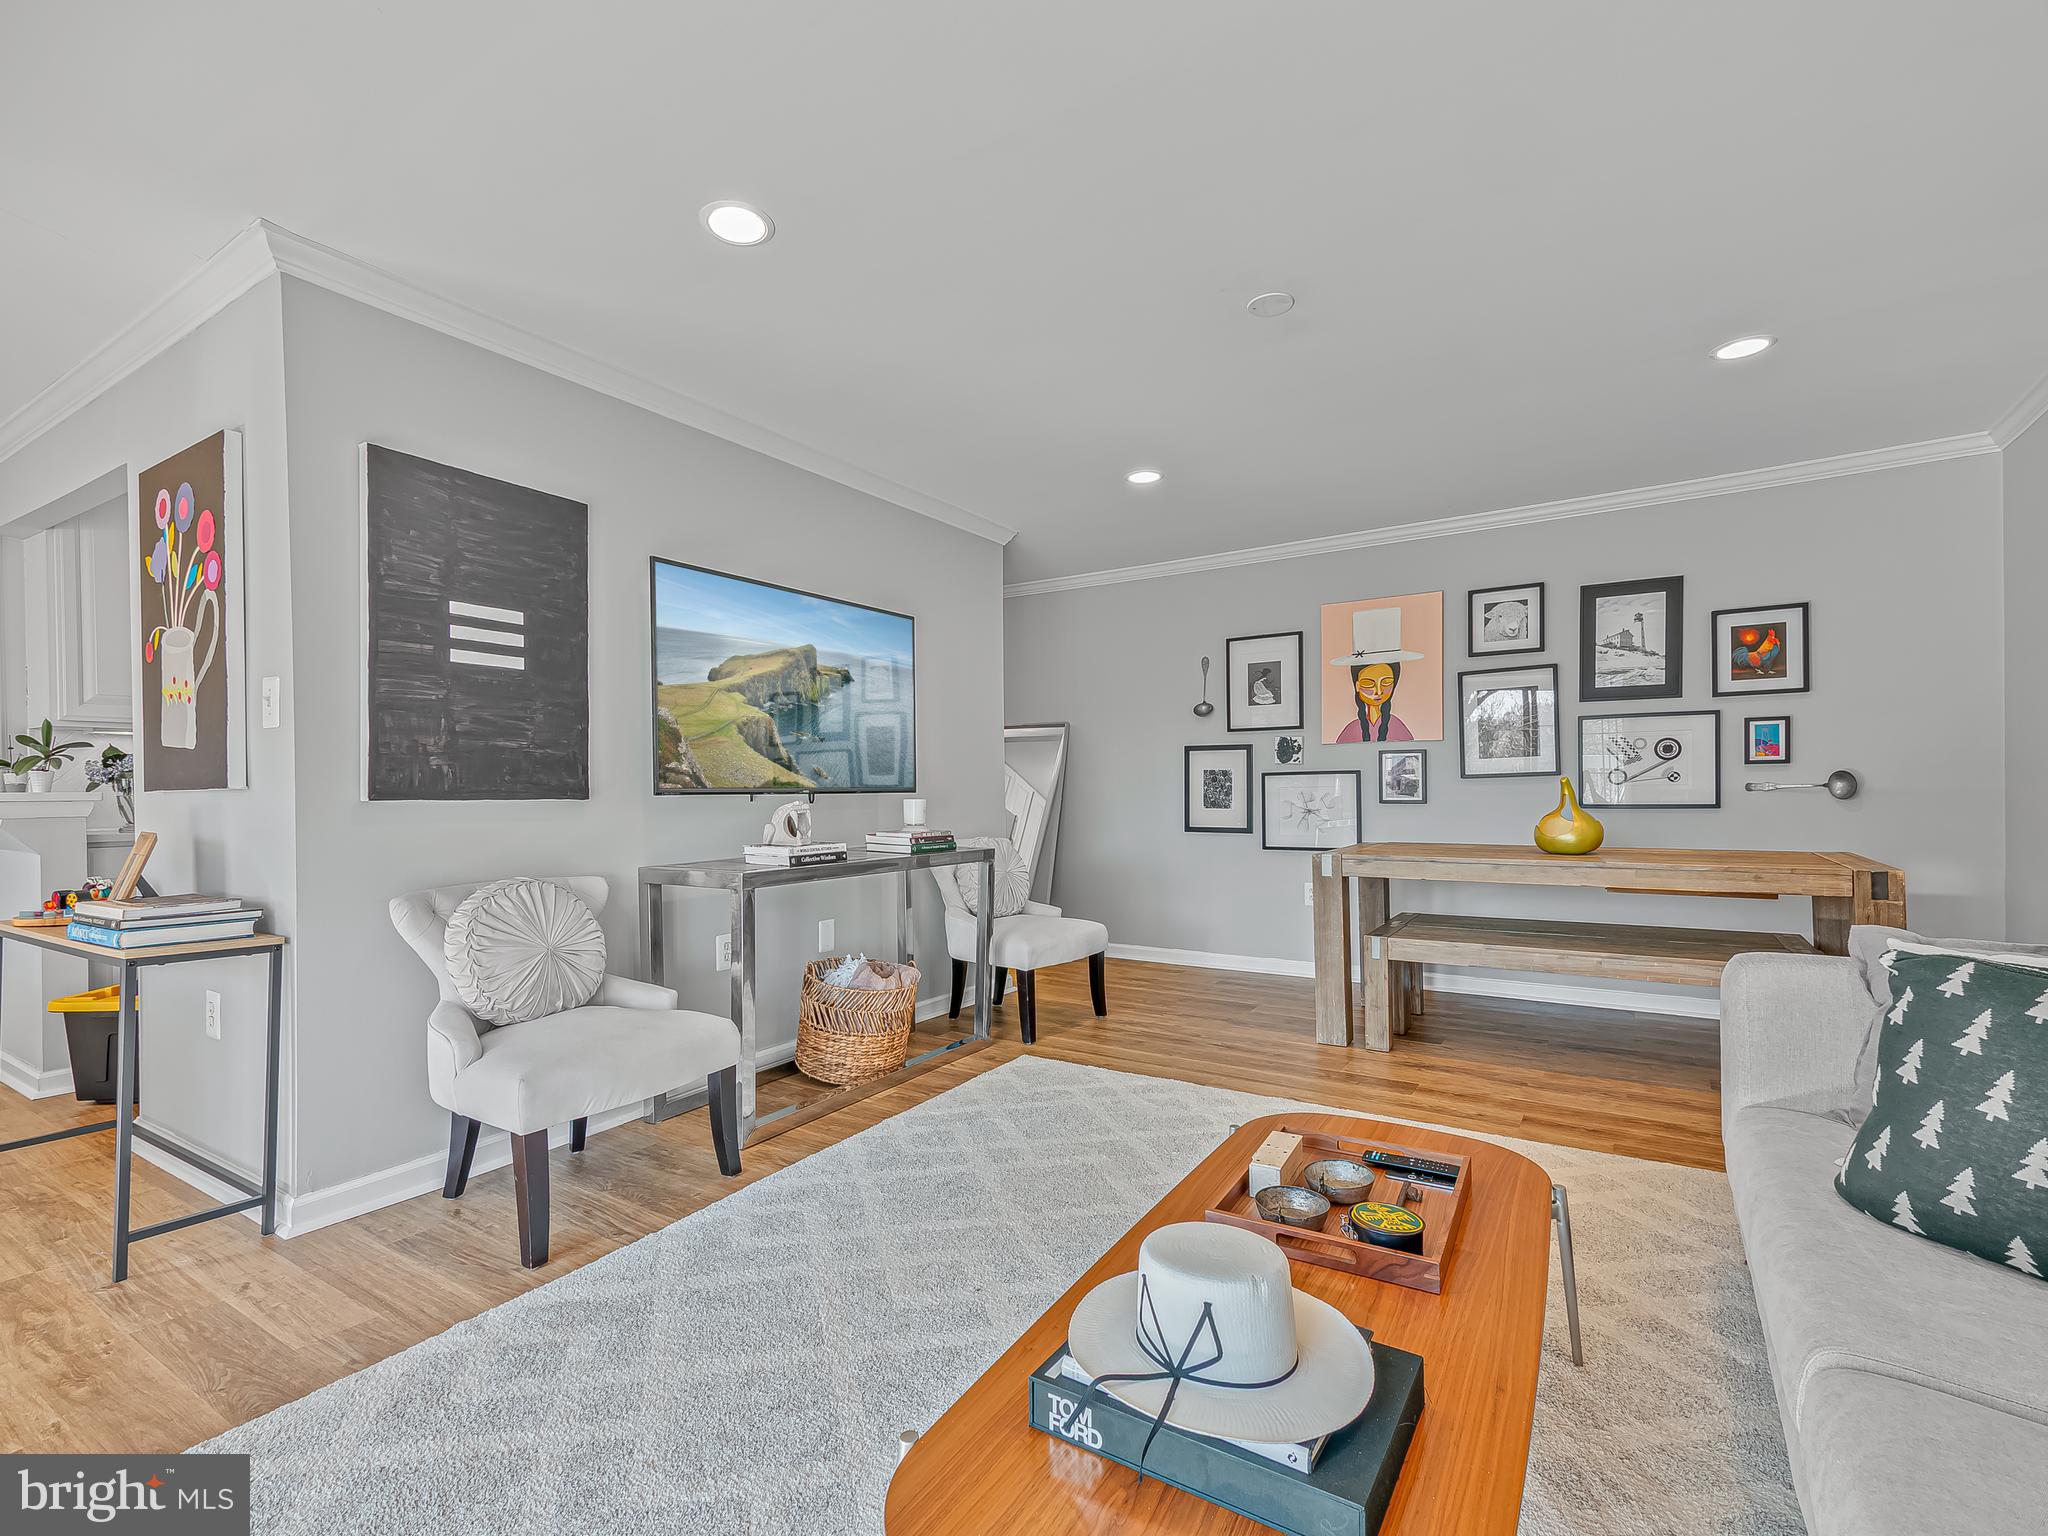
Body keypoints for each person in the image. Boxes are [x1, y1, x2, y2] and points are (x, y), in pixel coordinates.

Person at [1328, 607, 1425, 743]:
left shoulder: (1397, 726)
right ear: (1357, 685)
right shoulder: (1351, 730)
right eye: (1368, 683)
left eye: (1386, 682)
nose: (1378, 691)